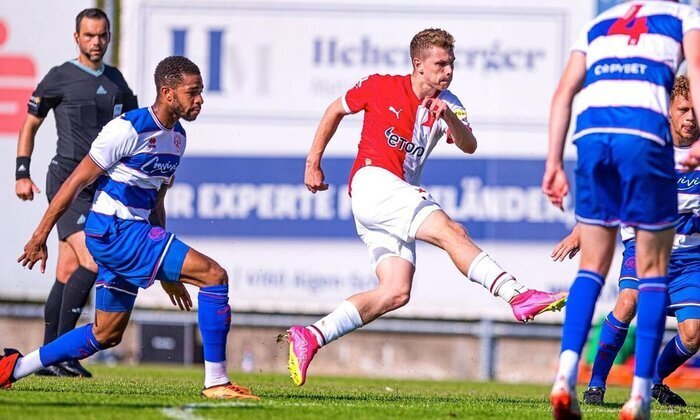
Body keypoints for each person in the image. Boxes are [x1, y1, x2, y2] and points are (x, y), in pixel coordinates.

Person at [286, 28, 567, 387]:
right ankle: (517, 294)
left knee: (395, 291)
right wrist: (313, 161)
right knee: (453, 232)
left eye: (451, 64)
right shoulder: (379, 85)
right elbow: (334, 110)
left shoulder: (450, 102)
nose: (447, 71)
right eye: (440, 64)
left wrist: (448, 117)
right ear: (418, 64)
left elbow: (469, 145)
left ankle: (311, 336)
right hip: (374, 183)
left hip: (386, 197)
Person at [1, 56, 258, 400]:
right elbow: (74, 183)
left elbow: (156, 202)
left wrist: (168, 275)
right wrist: (39, 235)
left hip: (128, 234)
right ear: (168, 94)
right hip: (114, 230)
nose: (199, 100)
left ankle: (14, 368)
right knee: (213, 275)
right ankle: (216, 382)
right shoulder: (128, 129)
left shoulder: (177, 138)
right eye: (192, 92)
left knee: (106, 334)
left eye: (201, 92)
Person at [542, 1, 700, 418]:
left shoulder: (599, 23)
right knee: (645, 280)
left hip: (591, 135)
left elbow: (563, 93)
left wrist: (553, 163)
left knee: (591, 270)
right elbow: (698, 71)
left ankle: (564, 377)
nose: (689, 118)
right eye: (682, 110)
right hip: (641, 139)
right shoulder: (683, 16)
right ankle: (635, 395)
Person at [15, 8, 138, 378]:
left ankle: (49, 357)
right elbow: (29, 125)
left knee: (68, 269)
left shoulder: (117, 81)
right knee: (92, 261)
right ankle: (63, 353)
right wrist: (22, 172)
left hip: (100, 188)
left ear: (109, 36)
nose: (96, 42)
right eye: (89, 36)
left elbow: (132, 133)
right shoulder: (60, 77)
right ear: (76, 37)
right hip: (68, 184)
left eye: (102, 35)